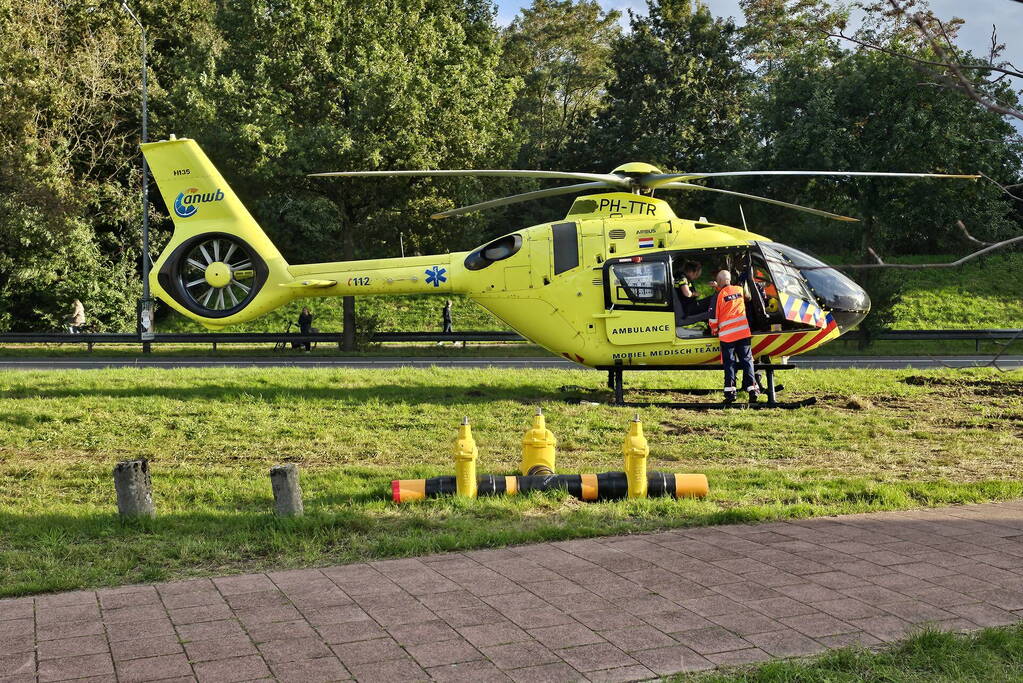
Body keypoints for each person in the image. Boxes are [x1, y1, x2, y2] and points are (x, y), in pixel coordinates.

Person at [709, 271, 759, 403]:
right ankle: (753, 389)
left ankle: (730, 393)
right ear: (730, 280)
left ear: (719, 282)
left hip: (727, 337)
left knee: (729, 363)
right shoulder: (740, 290)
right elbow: (748, 298)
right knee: (747, 360)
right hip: (743, 333)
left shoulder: (719, 296)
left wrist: (714, 331)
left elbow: (713, 319)